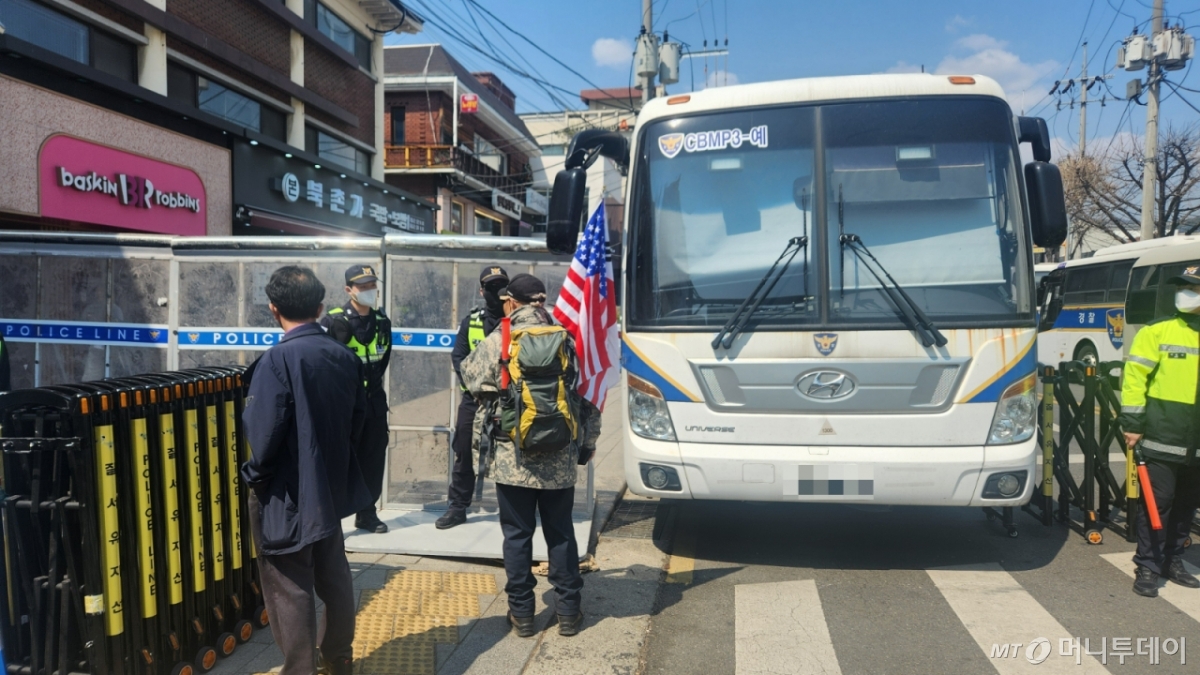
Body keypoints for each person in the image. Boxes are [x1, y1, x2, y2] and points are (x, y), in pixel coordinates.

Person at [241, 266, 372, 675]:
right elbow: (358, 423)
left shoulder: (276, 361)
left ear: (273, 308)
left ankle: (299, 669)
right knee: (334, 574)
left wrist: (254, 476)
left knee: (288, 586)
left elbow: (263, 437)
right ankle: (338, 656)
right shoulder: (345, 356)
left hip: (287, 494)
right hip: (330, 490)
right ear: (319, 307)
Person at [459, 274, 601, 637]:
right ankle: (568, 612)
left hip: (513, 456)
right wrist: (587, 445)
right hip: (559, 457)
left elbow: (471, 376)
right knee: (562, 534)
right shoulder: (565, 338)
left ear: (510, 302)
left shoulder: (502, 338)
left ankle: (522, 615)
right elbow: (584, 395)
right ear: (542, 300)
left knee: (518, 536)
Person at [1119, 265, 1200, 598]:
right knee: (1159, 503)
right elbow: (1134, 380)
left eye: (1194, 288)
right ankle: (1148, 565)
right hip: (1162, 435)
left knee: (1186, 505)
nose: (1186, 293)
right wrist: (1133, 425)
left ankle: (1173, 559)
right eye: (1185, 287)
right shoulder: (1157, 332)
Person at [321, 264, 392, 534]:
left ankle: (367, 513)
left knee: (373, 458)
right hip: (345, 405)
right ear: (348, 290)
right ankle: (332, 516)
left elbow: (383, 358)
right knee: (341, 458)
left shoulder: (382, 321)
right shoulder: (333, 321)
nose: (369, 291)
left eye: (372, 286)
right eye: (362, 287)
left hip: (373, 401)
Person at [438, 265, 509, 530]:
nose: (496, 292)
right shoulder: (472, 322)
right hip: (474, 400)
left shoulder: (516, 322)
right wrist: (477, 388)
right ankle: (457, 507)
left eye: (501, 286)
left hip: (508, 403)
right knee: (464, 451)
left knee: (508, 456)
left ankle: (512, 511)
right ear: (481, 291)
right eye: (491, 287)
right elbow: (458, 358)